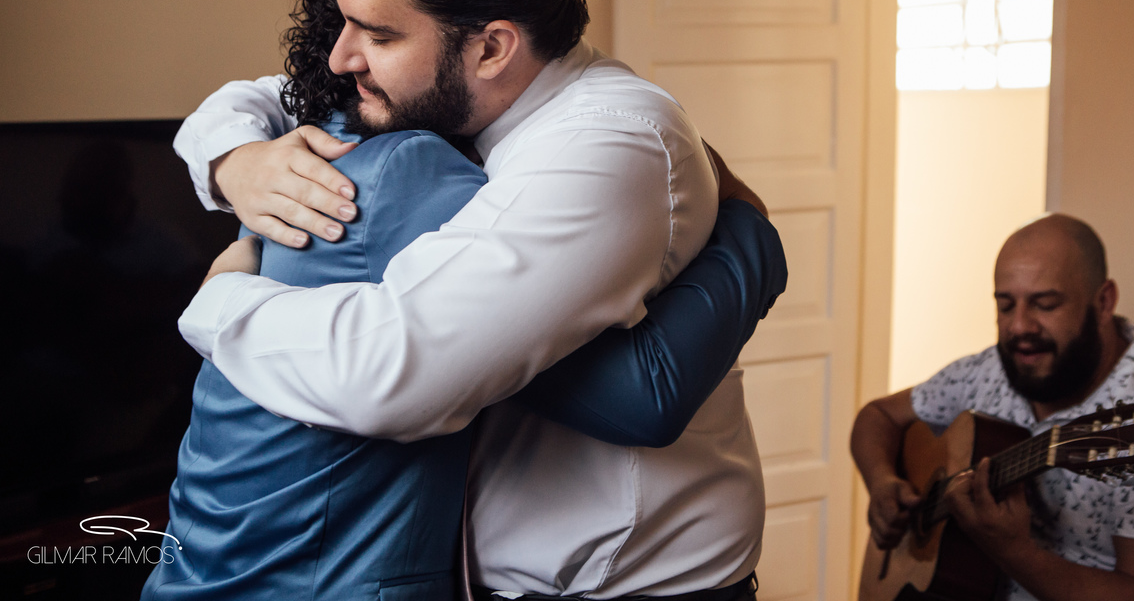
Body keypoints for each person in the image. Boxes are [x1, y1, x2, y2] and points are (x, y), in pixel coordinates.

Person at [174, 0, 772, 598]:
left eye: (379, 34)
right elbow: (253, 96)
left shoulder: (604, 143)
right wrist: (236, 160)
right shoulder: (452, 96)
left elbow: (395, 374)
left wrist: (218, 304)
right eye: (344, 17)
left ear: (491, 46)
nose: (340, 53)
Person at [144, 118, 783, 600]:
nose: (348, 55)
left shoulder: (313, 149)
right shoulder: (410, 169)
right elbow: (644, 395)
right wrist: (748, 219)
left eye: (378, 32)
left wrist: (234, 161)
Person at [851, 214, 1134, 601]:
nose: (1018, 327)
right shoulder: (986, 371)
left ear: (1103, 302)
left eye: (1044, 304)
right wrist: (881, 483)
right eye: (1005, 305)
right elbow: (876, 417)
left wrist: (1013, 551)